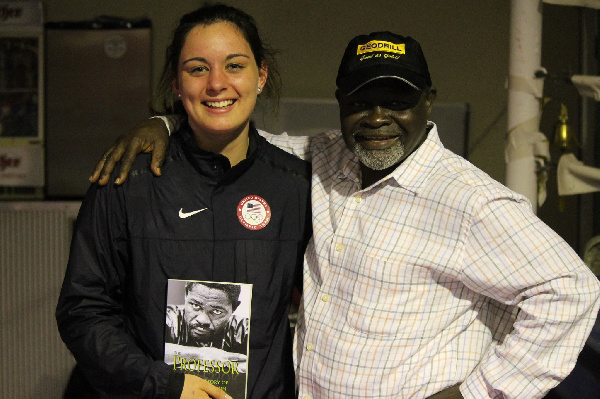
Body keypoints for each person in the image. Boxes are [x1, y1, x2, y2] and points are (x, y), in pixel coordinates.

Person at [91, 31, 600, 399]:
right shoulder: (327, 157)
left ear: (428, 103)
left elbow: (572, 290)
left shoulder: (469, 201)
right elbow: (238, 136)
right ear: (340, 104)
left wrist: (477, 393)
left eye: (396, 100)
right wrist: (163, 119)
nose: (378, 118)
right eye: (361, 101)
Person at [56, 4, 311, 399]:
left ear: (260, 76)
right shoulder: (127, 180)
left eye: (235, 66)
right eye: (197, 69)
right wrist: (164, 386)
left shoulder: (298, 187)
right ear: (176, 83)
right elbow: (83, 311)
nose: (216, 84)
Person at [165, 281, 248, 353]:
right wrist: (202, 354)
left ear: (234, 307)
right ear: (186, 294)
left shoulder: (243, 329)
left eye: (217, 311)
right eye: (196, 305)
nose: (202, 320)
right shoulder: (169, 319)